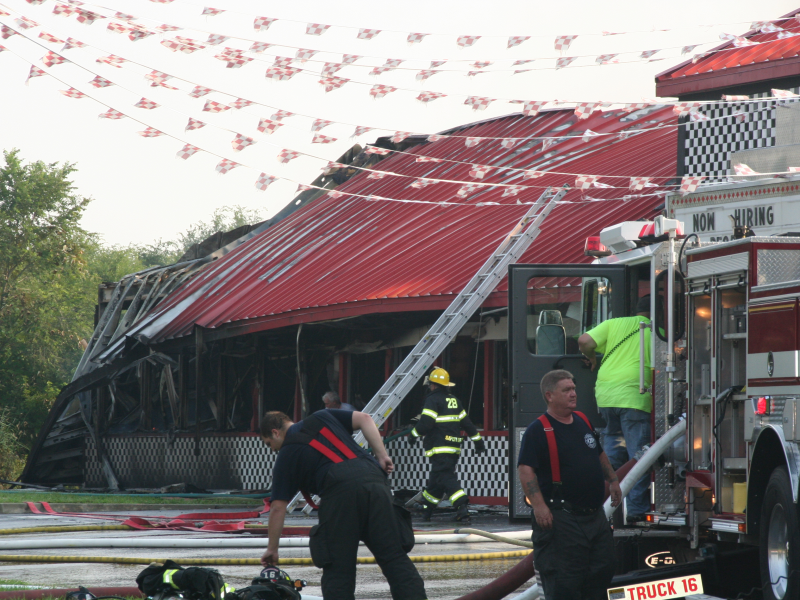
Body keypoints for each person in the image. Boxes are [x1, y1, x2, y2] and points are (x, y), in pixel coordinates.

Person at [260, 409, 427, 600]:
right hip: (375, 484)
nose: (274, 450)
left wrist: (272, 549)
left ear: (275, 432)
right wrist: (382, 456)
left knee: (338, 570)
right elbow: (365, 418)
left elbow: (277, 507)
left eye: (270, 444)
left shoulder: (286, 454)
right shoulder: (322, 415)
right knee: (394, 558)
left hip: (340, 496)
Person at [517, 370, 621, 600]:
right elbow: (525, 470)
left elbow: (600, 454)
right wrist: (539, 507)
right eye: (566, 390)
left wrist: (613, 481)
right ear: (550, 396)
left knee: (603, 570)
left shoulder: (583, 420)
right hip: (562, 518)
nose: (574, 393)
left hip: (595, 517)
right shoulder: (538, 429)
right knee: (565, 581)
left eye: (573, 388)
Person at [578, 295, 652, 523]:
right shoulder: (657, 332)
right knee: (638, 456)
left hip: (607, 395)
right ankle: (637, 512)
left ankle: (600, 506)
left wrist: (591, 358)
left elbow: (584, 341)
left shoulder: (615, 323)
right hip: (634, 396)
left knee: (611, 456)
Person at [407, 367, 486, 523]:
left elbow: (426, 423)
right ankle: (427, 510)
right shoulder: (454, 400)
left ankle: (462, 507)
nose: (429, 387)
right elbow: (467, 424)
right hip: (453, 448)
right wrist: (478, 441)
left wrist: (413, 435)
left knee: (445, 477)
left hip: (439, 446)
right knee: (437, 479)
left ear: (434, 385)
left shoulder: (432, 399)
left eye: (430, 384)